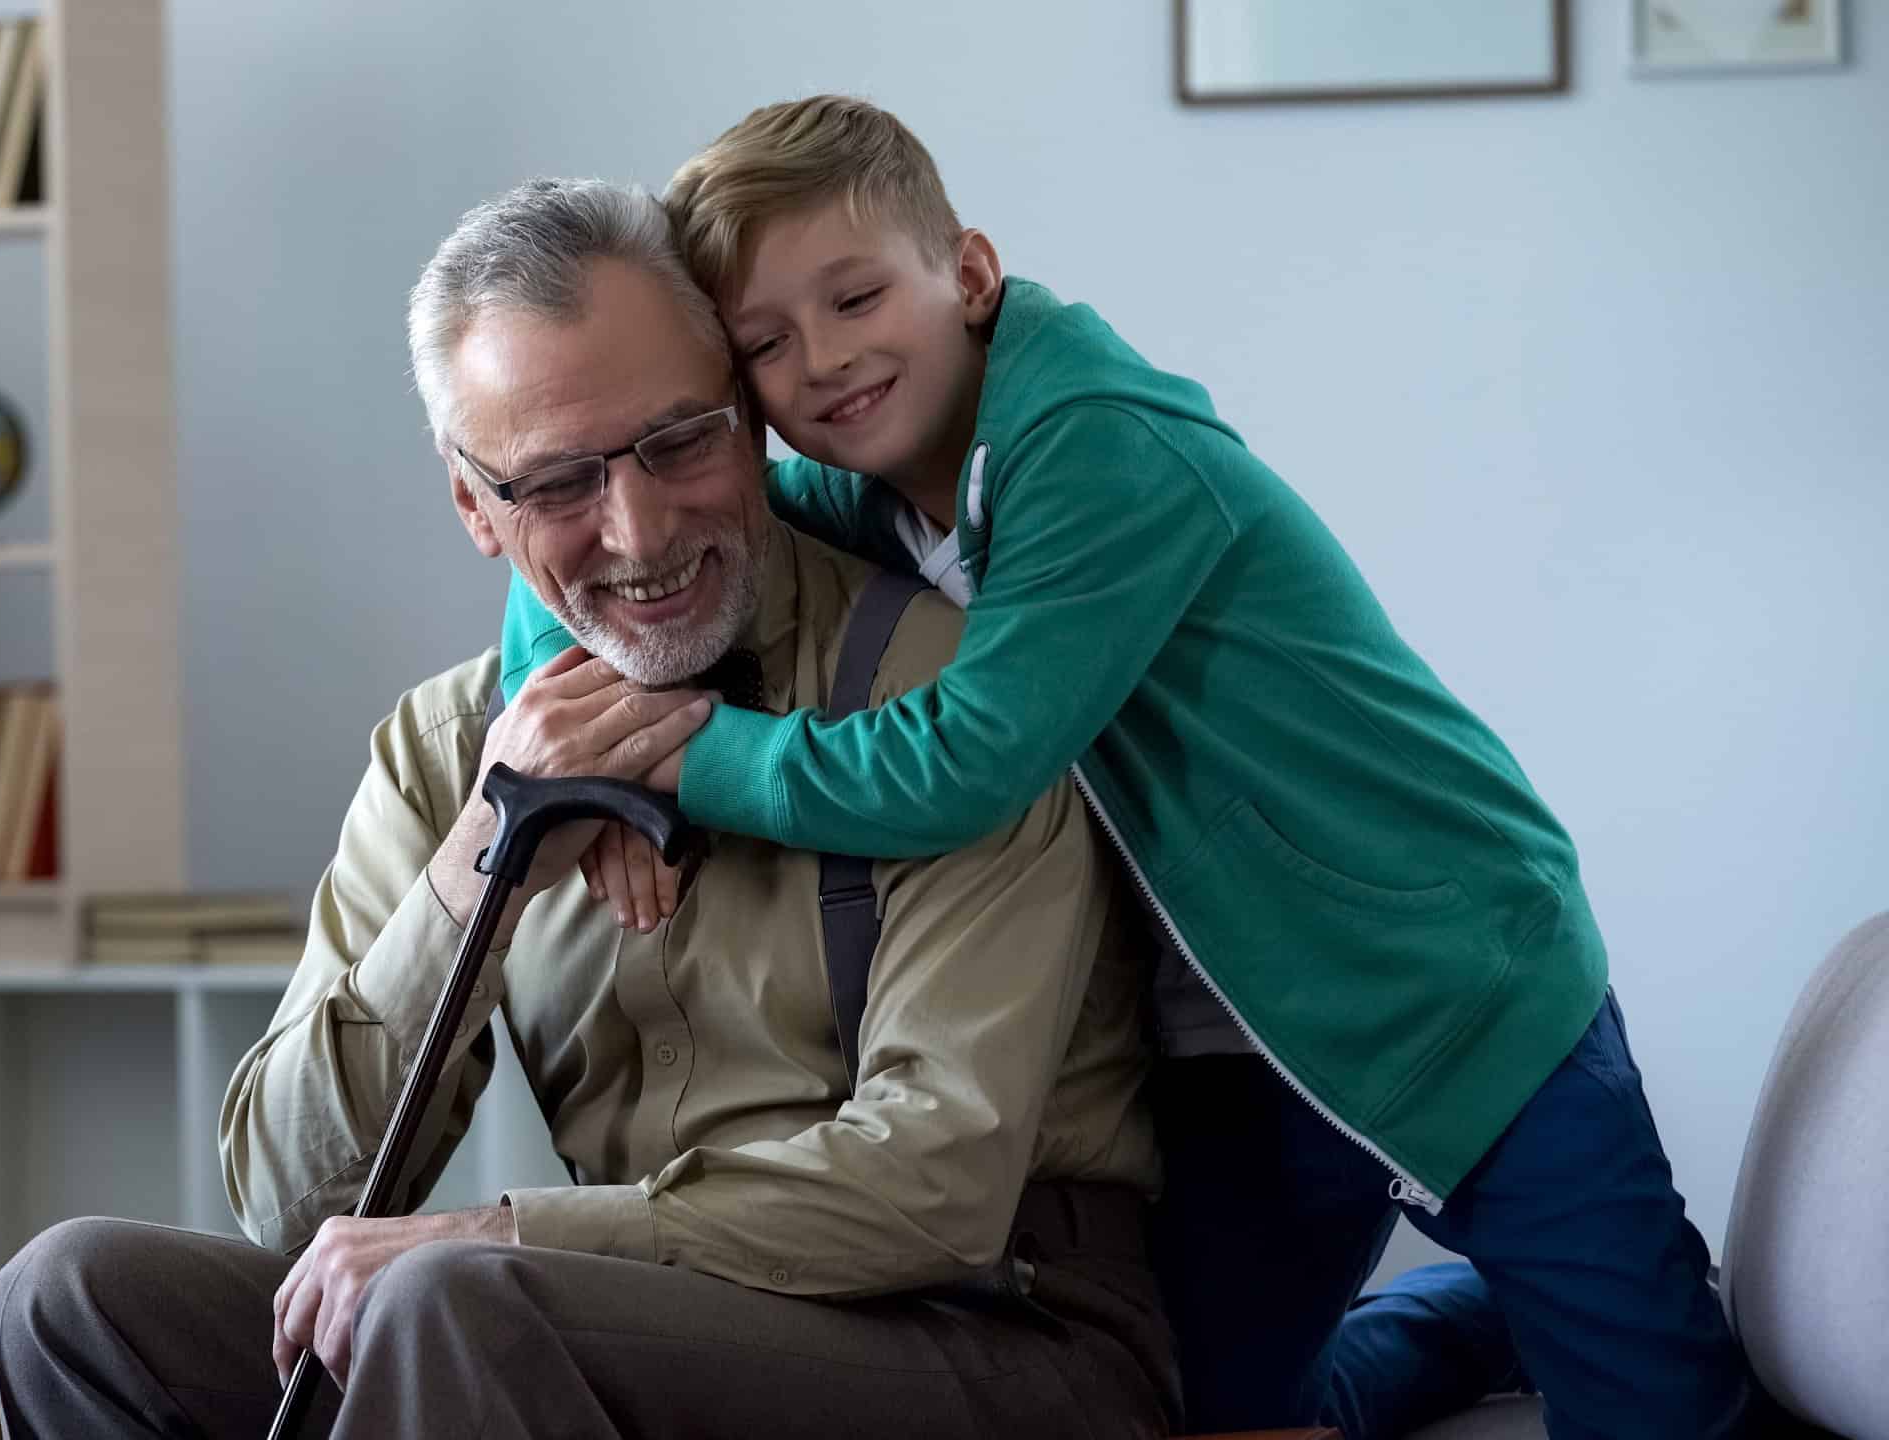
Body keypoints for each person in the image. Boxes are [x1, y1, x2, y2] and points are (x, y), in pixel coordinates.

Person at [494, 95, 1756, 1440]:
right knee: (1199, 1411)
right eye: (767, 346)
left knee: (1662, 1410)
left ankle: (1567, 1310)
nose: (826, 359)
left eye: (857, 297)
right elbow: (615, 571)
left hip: (1454, 979)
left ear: (968, 273)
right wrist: (587, 744)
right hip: (1227, 1038)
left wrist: (685, 753)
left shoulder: (1096, 442)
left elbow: (962, 762)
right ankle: (1469, 1319)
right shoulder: (868, 491)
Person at [0, 177, 1183, 1439]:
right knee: (72, 1297)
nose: (638, 530)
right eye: (558, 484)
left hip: (1002, 1334)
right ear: (473, 506)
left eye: (681, 442)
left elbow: (937, 1188)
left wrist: (508, 1235)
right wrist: (478, 868)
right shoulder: (443, 751)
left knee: (453, 1306)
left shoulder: (948, 699)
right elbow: (287, 1202)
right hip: (602, 1324)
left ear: (752, 417)